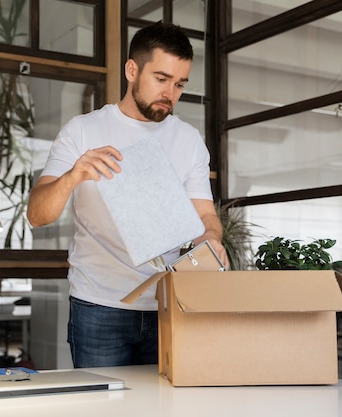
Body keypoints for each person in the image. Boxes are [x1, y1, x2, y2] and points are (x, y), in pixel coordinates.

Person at [26, 21, 229, 368]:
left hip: (168, 303)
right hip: (98, 305)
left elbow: (205, 218)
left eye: (180, 84)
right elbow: (37, 214)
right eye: (161, 79)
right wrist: (74, 175)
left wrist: (211, 241)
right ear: (132, 70)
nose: (171, 93)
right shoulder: (83, 131)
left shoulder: (189, 140)